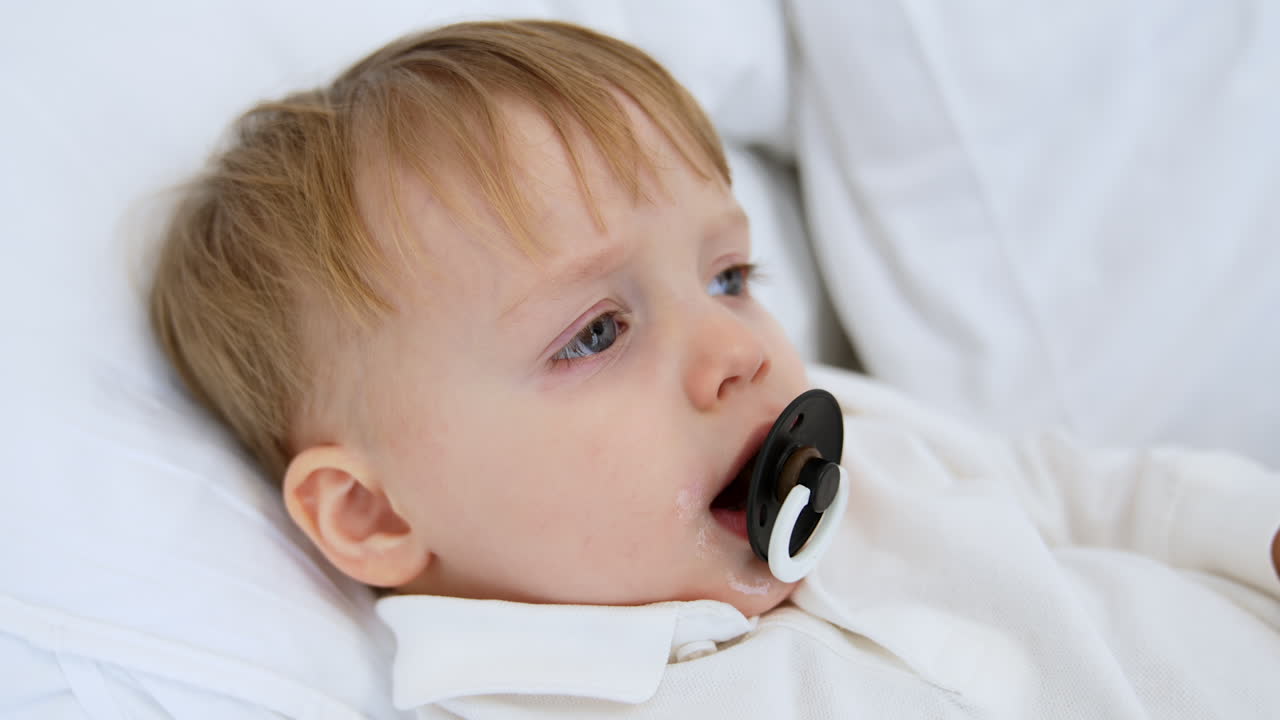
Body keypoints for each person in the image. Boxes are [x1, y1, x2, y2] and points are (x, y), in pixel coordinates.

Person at [149, 19, 1280, 718]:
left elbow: (1099, 497)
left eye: (731, 275)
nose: (739, 352)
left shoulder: (851, 440)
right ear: (374, 511)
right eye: (596, 333)